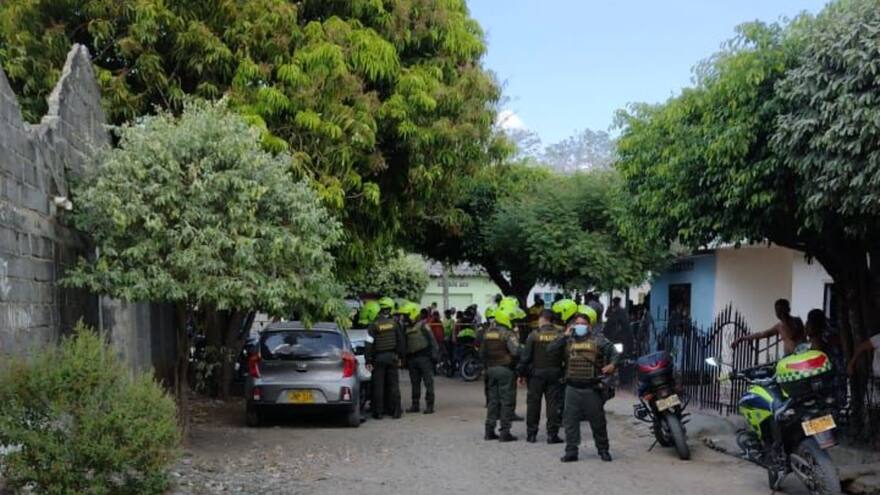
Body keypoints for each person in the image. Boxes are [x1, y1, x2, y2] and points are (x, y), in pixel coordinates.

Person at [549, 304, 620, 463]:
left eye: (583, 323)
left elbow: (615, 353)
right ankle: (571, 451)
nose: (580, 326)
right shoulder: (568, 341)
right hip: (572, 388)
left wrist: (612, 365)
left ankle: (603, 450)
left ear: (589, 326)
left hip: (592, 388)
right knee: (570, 422)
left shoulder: (599, 341)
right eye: (577, 323)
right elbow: (550, 350)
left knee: (598, 422)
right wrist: (564, 336)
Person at [518, 308, 565, 444]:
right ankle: (552, 435)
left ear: (543, 319)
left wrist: (521, 373)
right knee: (553, 404)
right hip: (555, 374)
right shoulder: (560, 335)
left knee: (533, 404)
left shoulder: (534, 335)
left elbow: (525, 357)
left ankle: (531, 434)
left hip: (536, 375)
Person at [481, 307, 520, 442]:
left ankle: (489, 431)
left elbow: (482, 353)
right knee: (506, 401)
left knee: (493, 401)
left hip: (490, 369)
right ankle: (505, 432)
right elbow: (515, 352)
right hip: (505, 369)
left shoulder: (487, 333)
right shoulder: (508, 334)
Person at [365, 297, 406, 420]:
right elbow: (401, 341)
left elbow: (368, 344)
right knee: (393, 385)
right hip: (392, 357)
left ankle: (378, 412)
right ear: (390, 309)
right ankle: (396, 411)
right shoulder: (394, 324)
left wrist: (368, 360)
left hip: (379, 359)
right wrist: (401, 357)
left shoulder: (373, 325)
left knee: (378, 386)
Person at [732, 299, 805, 355]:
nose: (779, 313)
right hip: (787, 356)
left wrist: (785, 319)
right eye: (778, 311)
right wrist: (742, 338)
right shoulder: (779, 326)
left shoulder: (797, 321)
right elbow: (762, 334)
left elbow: (791, 335)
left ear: (788, 309)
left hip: (799, 355)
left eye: (782, 310)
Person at [405, 308, 440, 414]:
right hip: (412, 358)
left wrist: (434, 357)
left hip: (424, 357)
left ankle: (430, 405)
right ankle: (415, 404)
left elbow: (433, 341)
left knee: (428, 382)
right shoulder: (406, 327)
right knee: (415, 383)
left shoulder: (424, 325)